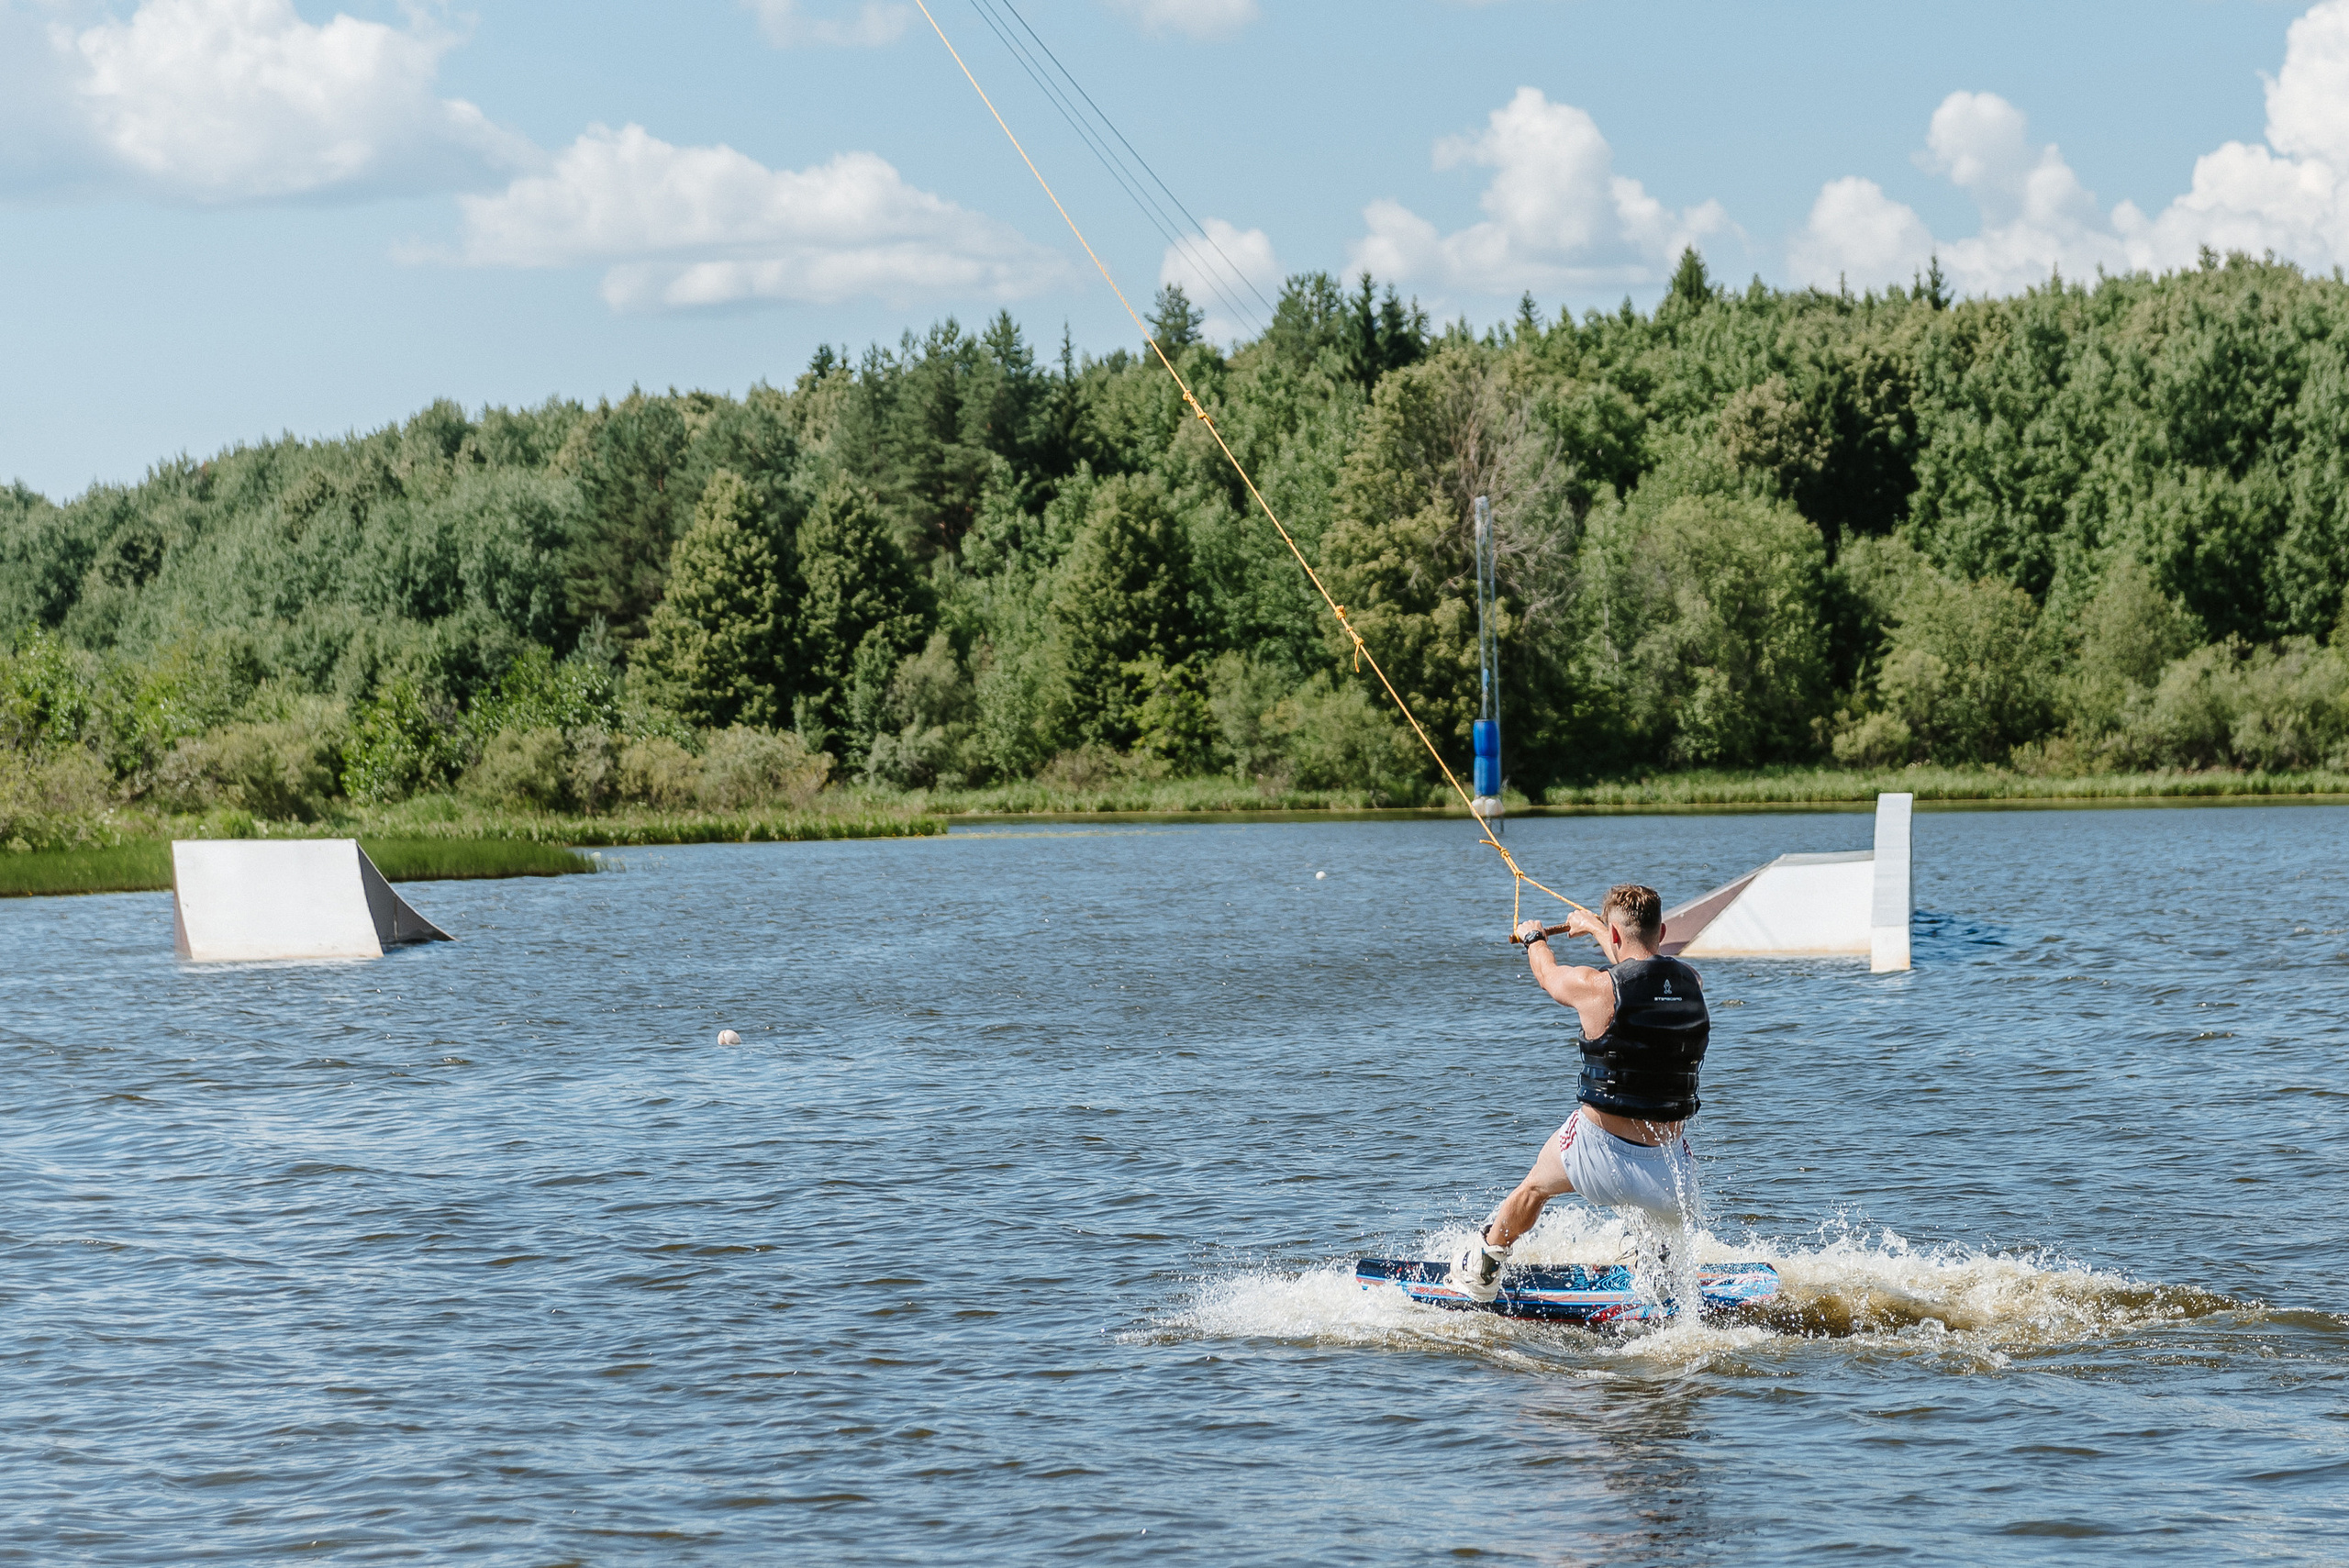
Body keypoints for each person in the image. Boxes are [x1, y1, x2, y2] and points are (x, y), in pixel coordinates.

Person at [1449, 884, 1711, 1303]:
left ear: (1615, 935)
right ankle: (1658, 1273)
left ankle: (1483, 1270)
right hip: (1669, 1170)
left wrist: (1534, 937)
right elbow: (1641, 972)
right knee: (1663, 1227)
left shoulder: (1594, 989)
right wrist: (1594, 927)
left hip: (1596, 1156)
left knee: (1533, 1189)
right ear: (1661, 932)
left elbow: (1549, 977)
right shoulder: (1692, 983)